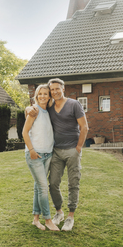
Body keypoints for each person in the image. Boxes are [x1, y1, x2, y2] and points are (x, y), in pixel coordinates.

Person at [27, 78, 88, 231]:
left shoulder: (74, 104)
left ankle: (70, 217)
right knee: (53, 183)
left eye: (57, 89)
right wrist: (27, 109)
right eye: (52, 90)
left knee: (73, 183)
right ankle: (59, 212)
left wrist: (78, 147)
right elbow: (35, 110)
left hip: (72, 151)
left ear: (63, 89)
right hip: (56, 151)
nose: (54, 92)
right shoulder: (50, 107)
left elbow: (84, 126)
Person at [22, 84, 59, 231]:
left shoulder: (48, 111)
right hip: (35, 155)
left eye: (45, 94)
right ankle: (48, 219)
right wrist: (31, 150)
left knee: (38, 187)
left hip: (47, 154)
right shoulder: (34, 111)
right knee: (44, 188)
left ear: (49, 96)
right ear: (36, 96)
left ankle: (35, 219)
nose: (43, 96)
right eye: (40, 94)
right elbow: (25, 132)